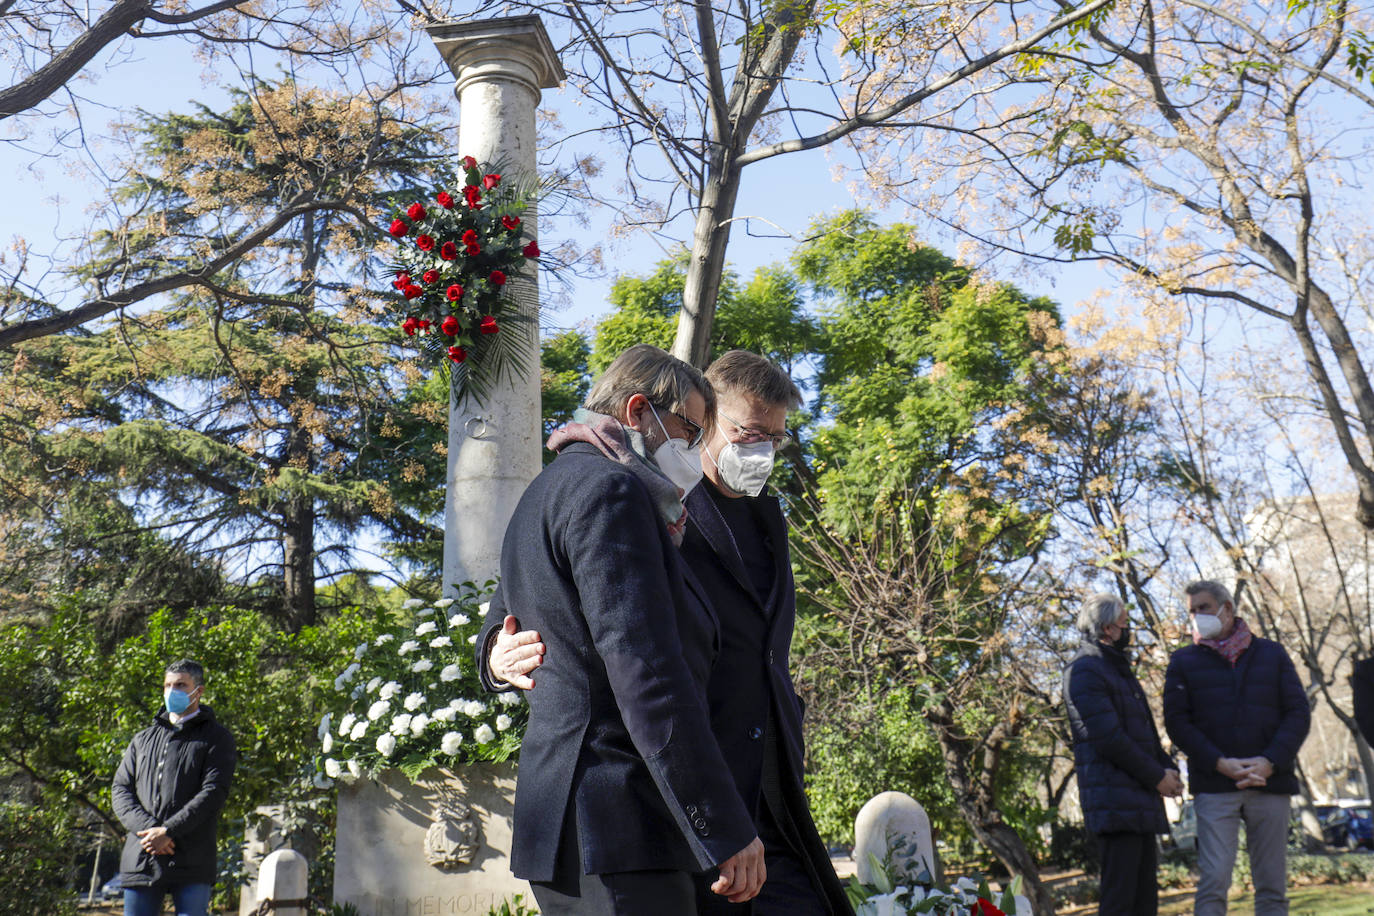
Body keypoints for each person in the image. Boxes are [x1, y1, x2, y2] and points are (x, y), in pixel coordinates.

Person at [483, 350, 853, 915]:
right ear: (639, 411)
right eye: (692, 429)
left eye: (775, 440)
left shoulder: (560, 484)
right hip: (635, 805)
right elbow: (645, 671)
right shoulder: (623, 495)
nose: (761, 452)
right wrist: (494, 654)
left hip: (736, 798)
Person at [1164, 580, 1310, 916]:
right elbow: (1178, 723)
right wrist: (1219, 763)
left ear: (1226, 608)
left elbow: (1298, 713)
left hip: (1270, 782)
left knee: (1272, 886)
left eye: (1203, 607)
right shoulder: (1183, 661)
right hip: (1215, 785)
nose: (1197, 616)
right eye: (1192, 610)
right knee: (1214, 882)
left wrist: (1270, 761)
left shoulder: (1272, 654)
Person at [1064, 593, 1181, 916]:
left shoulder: (1116, 669)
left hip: (1136, 801)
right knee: (1120, 902)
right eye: (1124, 623)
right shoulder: (1085, 670)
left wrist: (1168, 768)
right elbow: (1108, 739)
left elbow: (1142, 732)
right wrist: (1157, 777)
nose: (1129, 629)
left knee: (1144, 903)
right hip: (1115, 806)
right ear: (1106, 629)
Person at [112, 659, 237, 916]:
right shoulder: (143, 739)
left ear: (198, 690)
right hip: (142, 856)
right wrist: (150, 832)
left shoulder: (217, 738)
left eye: (180, 685)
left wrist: (169, 831)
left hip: (192, 858)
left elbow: (213, 792)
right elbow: (121, 790)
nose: (172, 691)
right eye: (168, 685)